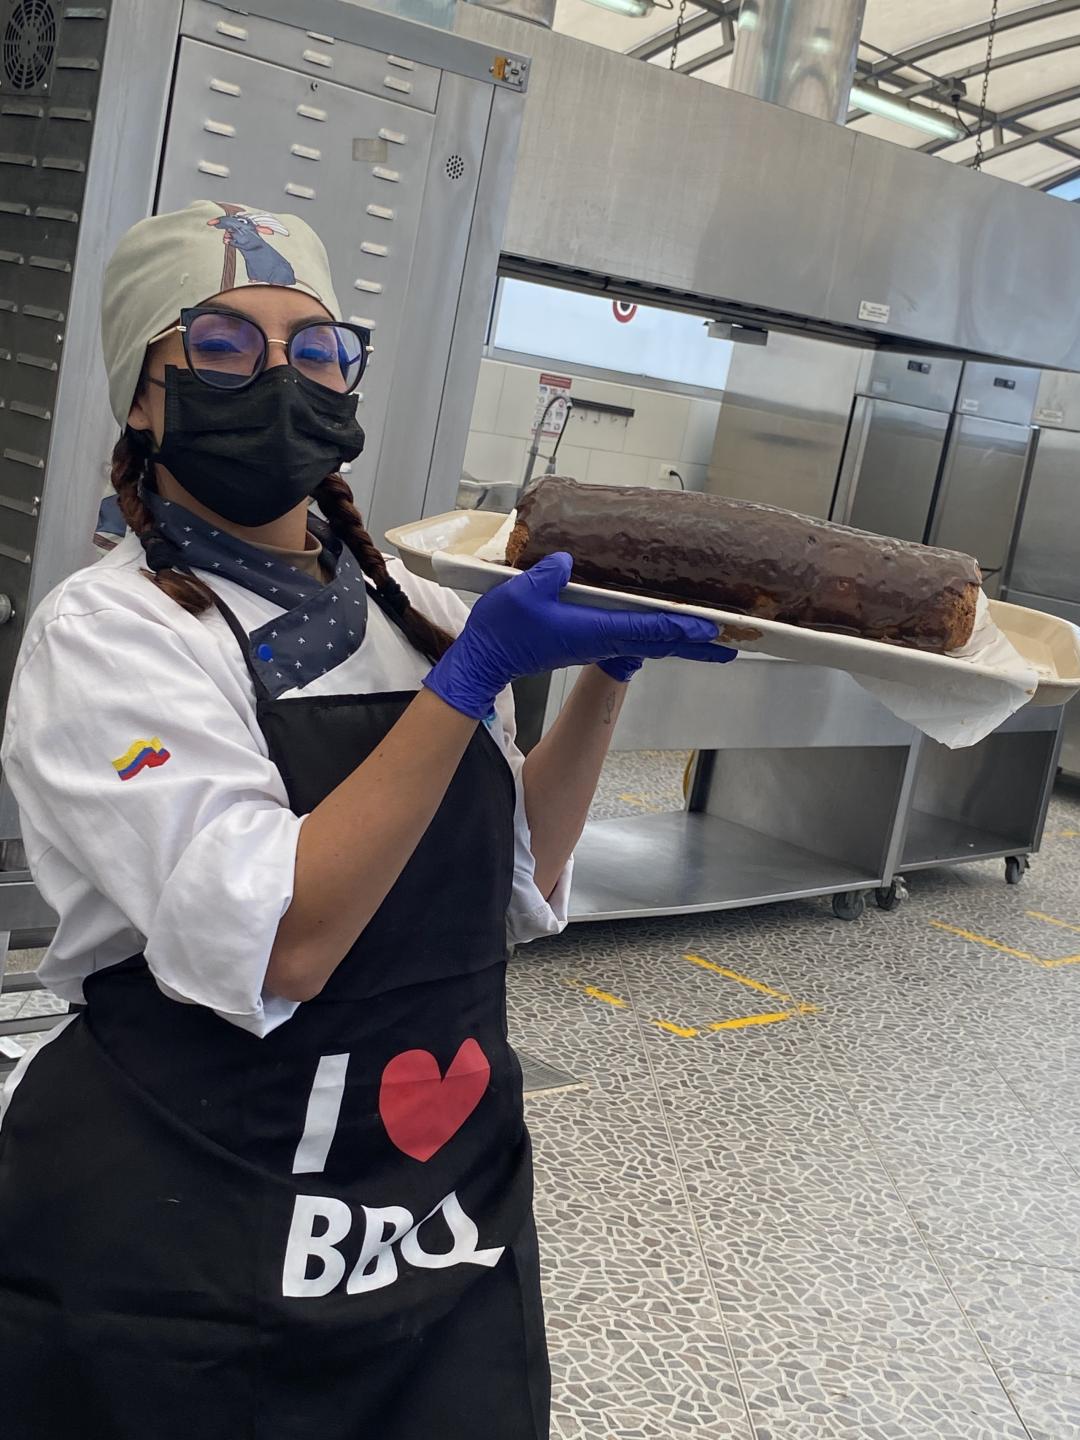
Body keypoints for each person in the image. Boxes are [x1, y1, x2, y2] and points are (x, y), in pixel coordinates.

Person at [0, 199, 735, 1440]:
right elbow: (282, 943)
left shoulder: (420, 613)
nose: (280, 378)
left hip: (434, 1217)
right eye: (223, 345)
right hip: (187, 1223)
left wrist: (608, 675)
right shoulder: (110, 636)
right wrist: (467, 682)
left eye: (316, 348)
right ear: (144, 398)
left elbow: (519, 879)